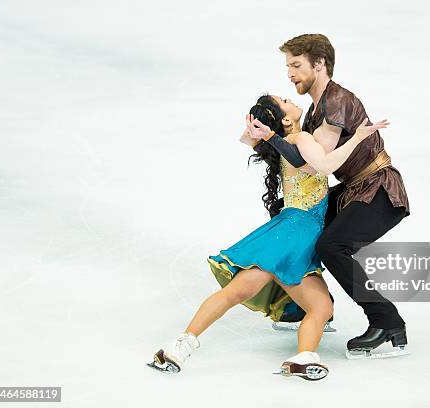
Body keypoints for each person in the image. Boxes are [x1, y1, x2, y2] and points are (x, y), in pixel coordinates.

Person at [148, 94, 389, 380]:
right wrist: (358, 137)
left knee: (321, 307)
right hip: (293, 232)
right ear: (286, 119)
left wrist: (259, 128)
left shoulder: (288, 144)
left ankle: (303, 357)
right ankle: (181, 344)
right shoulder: (300, 140)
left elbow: (246, 140)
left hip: (302, 237)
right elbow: (326, 165)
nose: (291, 98)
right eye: (285, 101)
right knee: (241, 291)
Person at [247, 34, 411, 359]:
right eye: (288, 67)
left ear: (319, 63)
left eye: (296, 65)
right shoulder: (312, 112)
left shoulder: (337, 100)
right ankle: (311, 306)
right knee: (301, 229)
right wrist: (263, 132)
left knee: (330, 245)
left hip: (379, 190)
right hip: (353, 190)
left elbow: (314, 163)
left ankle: (387, 324)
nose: (290, 74)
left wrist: (275, 136)